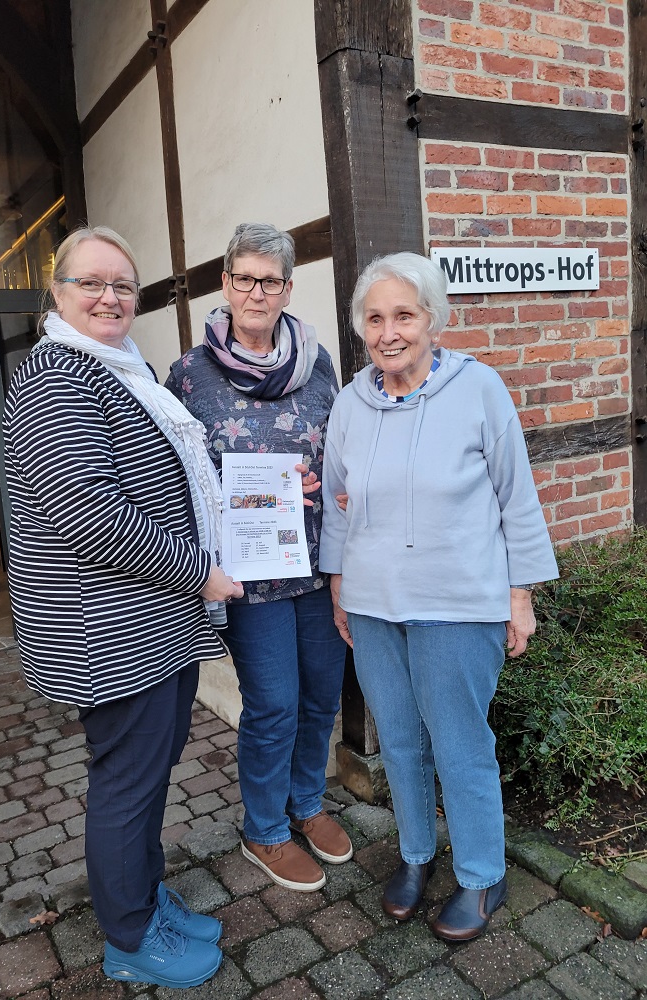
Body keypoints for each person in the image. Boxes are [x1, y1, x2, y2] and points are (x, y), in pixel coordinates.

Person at [3, 226, 243, 988]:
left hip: (150, 622)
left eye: (124, 285)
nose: (110, 297)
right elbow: (90, 514)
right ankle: (129, 934)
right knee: (127, 781)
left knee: (148, 773)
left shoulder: (117, 369)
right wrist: (199, 572)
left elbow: (174, 475)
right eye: (92, 283)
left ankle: (143, 895)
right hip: (106, 631)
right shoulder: (57, 378)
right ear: (58, 291)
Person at [320, 252, 558, 942]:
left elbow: (518, 497)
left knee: (459, 744)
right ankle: (418, 856)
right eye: (374, 317)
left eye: (404, 315)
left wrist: (519, 595)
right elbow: (338, 509)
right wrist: (339, 587)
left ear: (433, 320)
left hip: (458, 602)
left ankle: (484, 875)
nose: (388, 331)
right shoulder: (349, 403)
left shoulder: (479, 389)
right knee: (399, 741)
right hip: (372, 602)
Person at [165, 222, 351, 892]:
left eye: (270, 280)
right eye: (244, 277)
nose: (256, 291)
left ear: (288, 288)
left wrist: (321, 479)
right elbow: (173, 474)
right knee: (273, 703)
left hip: (317, 565)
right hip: (250, 579)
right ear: (225, 284)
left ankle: (306, 805)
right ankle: (264, 829)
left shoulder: (318, 361)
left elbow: (340, 448)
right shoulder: (189, 374)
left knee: (322, 695)